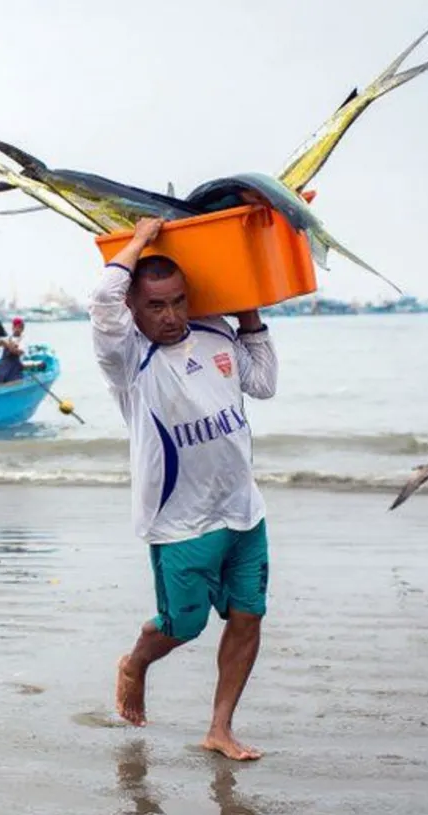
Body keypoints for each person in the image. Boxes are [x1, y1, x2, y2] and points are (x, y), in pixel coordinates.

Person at [91, 216, 278, 761]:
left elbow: (263, 383)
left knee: (248, 617)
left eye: (177, 300)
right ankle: (135, 663)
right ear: (134, 309)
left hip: (243, 509)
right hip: (180, 520)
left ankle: (219, 728)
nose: (170, 315)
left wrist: (248, 302)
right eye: (155, 305)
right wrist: (143, 239)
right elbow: (103, 298)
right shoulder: (127, 359)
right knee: (183, 625)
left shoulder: (214, 330)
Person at [0, 317, 26, 384]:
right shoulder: (8, 337)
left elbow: (18, 352)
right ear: (12, 328)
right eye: (15, 327)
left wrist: (6, 344)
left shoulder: (23, 340)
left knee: (13, 383)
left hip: (15, 369)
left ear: (22, 329)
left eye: (20, 327)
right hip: (3, 368)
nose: (17, 329)